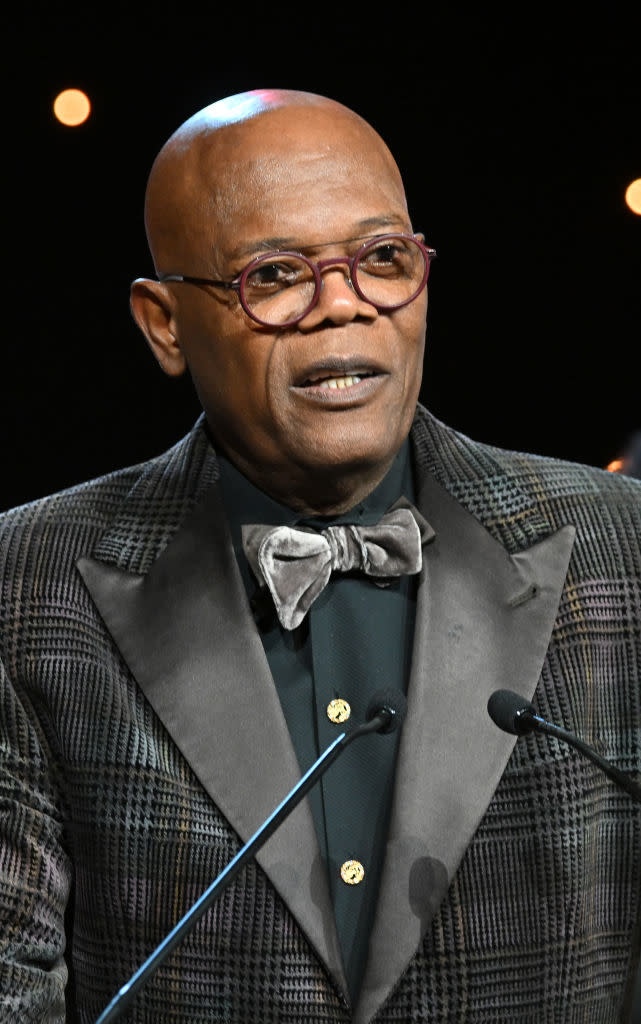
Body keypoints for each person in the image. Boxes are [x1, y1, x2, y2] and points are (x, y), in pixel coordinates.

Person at [1, 88, 640, 1024]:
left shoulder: (624, 547)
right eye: (274, 274)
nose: (342, 307)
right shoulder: (23, 585)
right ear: (164, 325)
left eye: (382, 260)